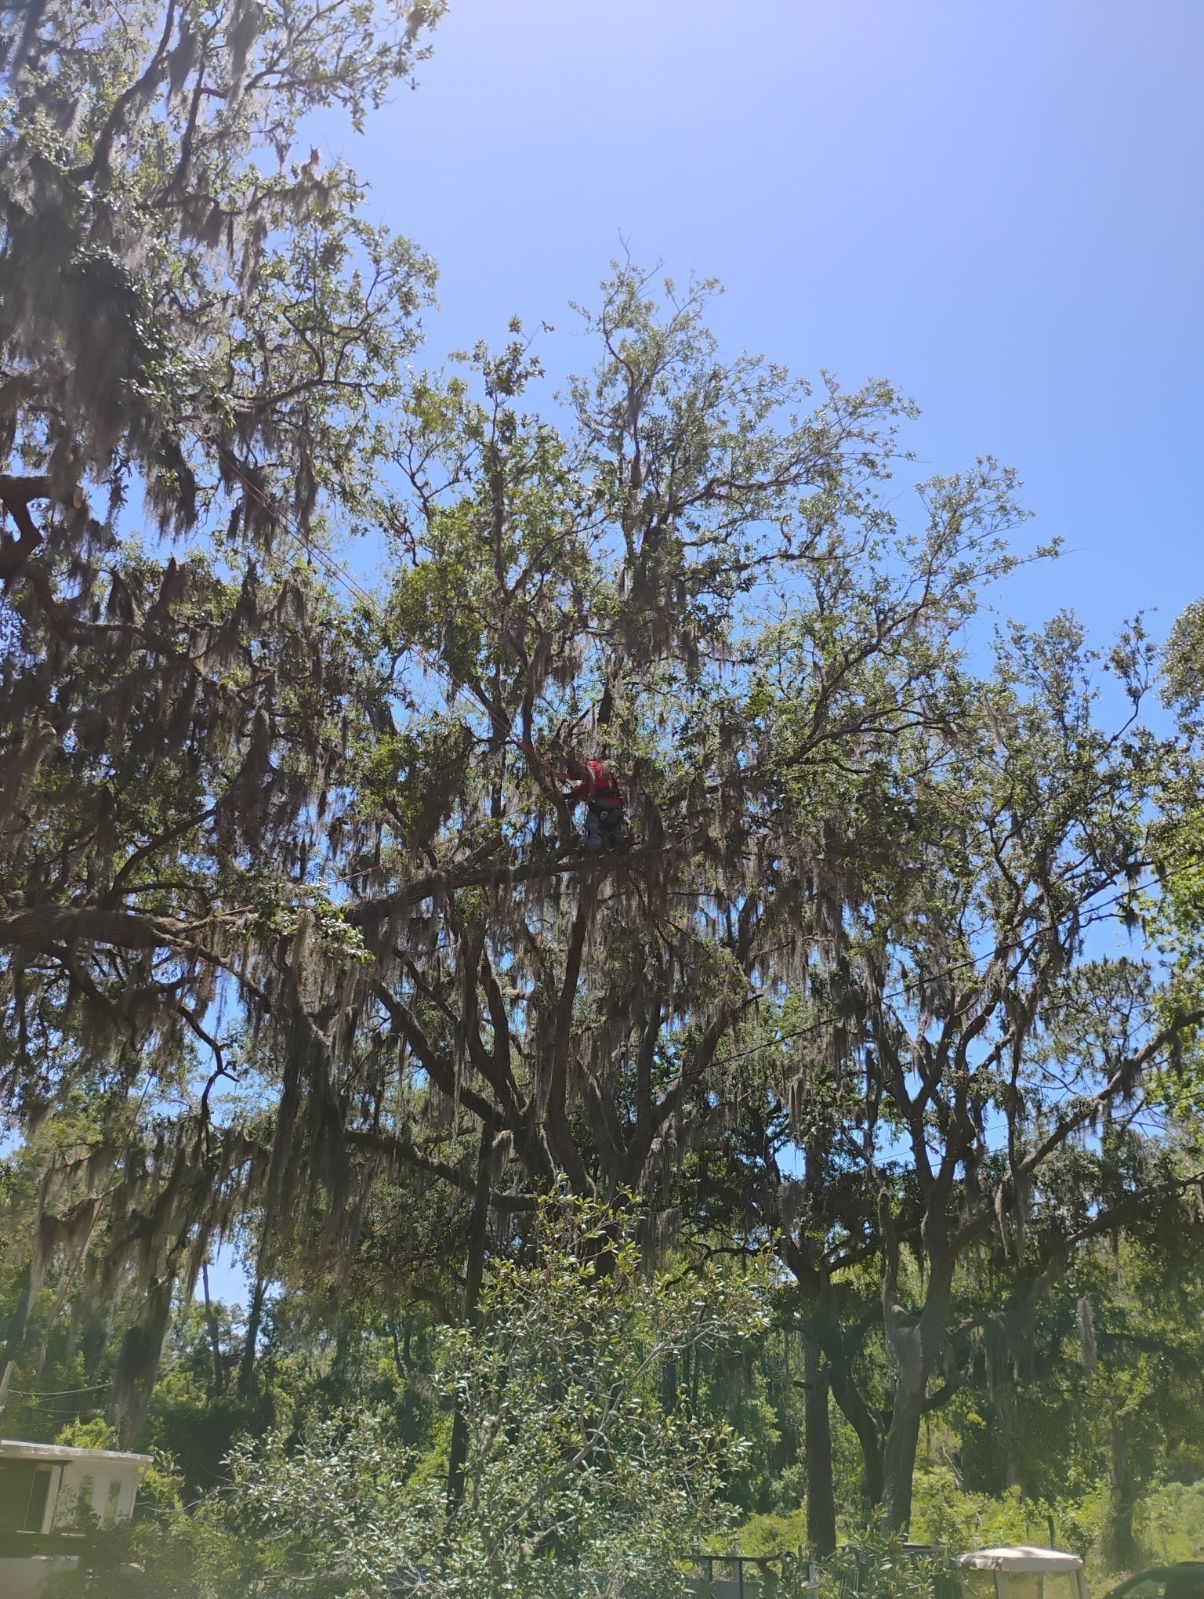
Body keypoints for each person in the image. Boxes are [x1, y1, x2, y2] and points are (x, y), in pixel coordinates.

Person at [558, 755, 627, 851]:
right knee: (605, 831)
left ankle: (595, 844)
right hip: (616, 807)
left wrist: (567, 777)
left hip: (602, 804)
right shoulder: (603, 772)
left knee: (592, 823)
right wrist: (565, 793)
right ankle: (615, 841)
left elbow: (586, 777)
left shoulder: (590, 765)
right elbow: (578, 791)